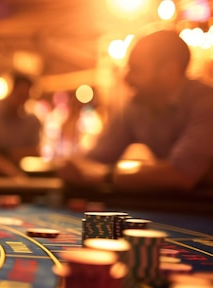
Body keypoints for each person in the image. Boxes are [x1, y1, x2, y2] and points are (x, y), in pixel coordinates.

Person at [57, 30, 213, 191]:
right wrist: (75, 167)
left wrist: (106, 176)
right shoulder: (135, 108)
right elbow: (96, 160)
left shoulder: (207, 102)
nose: (126, 78)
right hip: (184, 205)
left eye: (135, 69)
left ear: (169, 71)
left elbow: (181, 174)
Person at [0, 73, 41, 177]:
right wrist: (15, 175)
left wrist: (7, 154)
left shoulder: (32, 120)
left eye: (26, 97)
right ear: (11, 91)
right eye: (20, 95)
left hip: (24, 175)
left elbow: (36, 151)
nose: (22, 101)